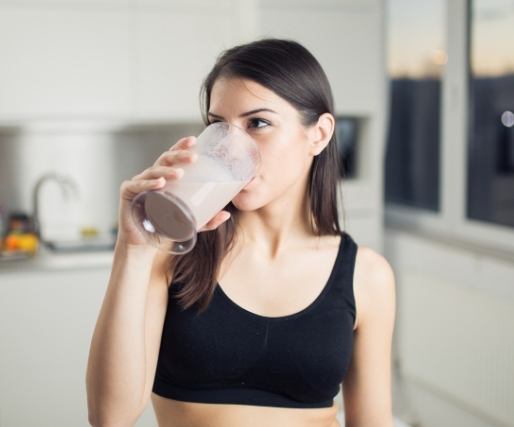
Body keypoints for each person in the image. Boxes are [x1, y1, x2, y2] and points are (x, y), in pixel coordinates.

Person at [86, 38, 396, 427]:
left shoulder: (366, 275)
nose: (231, 149)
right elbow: (108, 418)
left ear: (318, 135)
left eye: (258, 123)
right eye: (219, 127)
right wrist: (131, 249)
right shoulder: (172, 254)